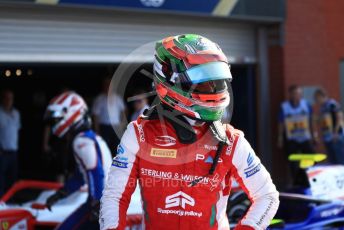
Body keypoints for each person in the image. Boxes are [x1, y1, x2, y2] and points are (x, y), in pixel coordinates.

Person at [100, 34, 279, 230]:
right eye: (202, 81)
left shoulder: (231, 141)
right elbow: (114, 196)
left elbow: (267, 196)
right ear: (169, 79)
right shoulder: (139, 134)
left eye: (216, 81)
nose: (213, 89)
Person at [44, 91, 112, 229]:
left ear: (70, 114)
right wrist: (61, 193)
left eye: (56, 120)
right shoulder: (89, 137)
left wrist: (96, 205)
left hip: (101, 203)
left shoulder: (81, 141)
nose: (54, 125)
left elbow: (96, 173)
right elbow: (82, 176)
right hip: (104, 201)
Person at [277, 85, 315, 181]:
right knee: (293, 161)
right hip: (291, 138)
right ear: (290, 94)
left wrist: (314, 134)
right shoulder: (284, 107)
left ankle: (309, 179)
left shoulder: (306, 104)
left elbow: (312, 120)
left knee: (310, 158)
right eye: (295, 93)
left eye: (299, 93)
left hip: (305, 137)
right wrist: (280, 137)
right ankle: (296, 181)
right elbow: (281, 122)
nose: (297, 95)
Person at [92, 78, 126, 151]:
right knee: (104, 148)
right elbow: (95, 116)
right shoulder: (99, 99)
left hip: (116, 127)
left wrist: (122, 124)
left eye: (110, 85)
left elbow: (124, 111)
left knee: (117, 148)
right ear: (103, 86)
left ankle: (117, 162)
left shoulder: (118, 98)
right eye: (106, 84)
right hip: (104, 128)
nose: (108, 86)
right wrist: (97, 130)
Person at [314, 88, 344, 164]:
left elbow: (339, 118)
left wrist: (336, 133)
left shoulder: (332, 104)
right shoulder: (322, 108)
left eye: (317, 98)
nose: (316, 100)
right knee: (332, 161)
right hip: (327, 137)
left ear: (322, 96)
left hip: (336, 136)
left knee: (340, 160)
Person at [0, 89, 21, 196]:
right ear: (3, 99)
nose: (9, 100)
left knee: (12, 178)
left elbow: (16, 130)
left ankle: (10, 199)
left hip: (13, 151)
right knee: (1, 178)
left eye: (11, 98)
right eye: (7, 98)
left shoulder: (16, 113)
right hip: (2, 151)